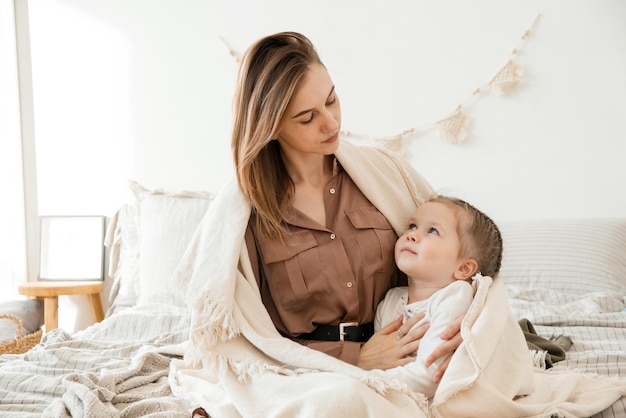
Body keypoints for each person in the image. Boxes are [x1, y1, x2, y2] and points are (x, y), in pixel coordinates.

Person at [173, 31, 461, 417]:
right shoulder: (247, 215)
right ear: (271, 127)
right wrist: (355, 356)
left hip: (409, 356)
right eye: (307, 118)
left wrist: (461, 323)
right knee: (337, 400)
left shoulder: (383, 174)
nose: (331, 123)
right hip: (303, 371)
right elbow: (250, 337)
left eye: (331, 100)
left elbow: (461, 247)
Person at [373, 195, 503, 399]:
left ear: (464, 268)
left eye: (432, 231)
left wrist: (363, 378)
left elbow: (429, 377)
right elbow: (382, 358)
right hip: (390, 389)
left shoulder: (455, 297)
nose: (412, 236)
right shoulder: (390, 300)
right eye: (412, 226)